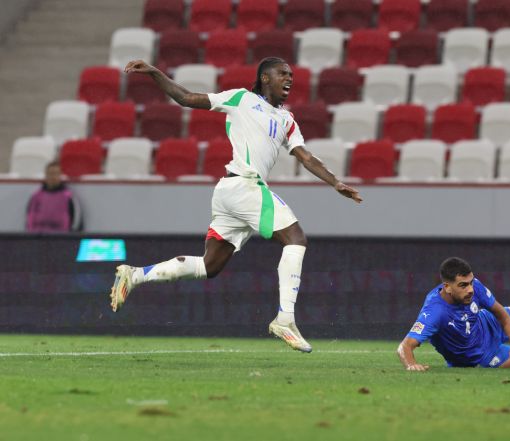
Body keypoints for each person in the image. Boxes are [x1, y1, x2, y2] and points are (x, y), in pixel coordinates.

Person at [109, 57, 362, 353]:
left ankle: (135, 275)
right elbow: (186, 98)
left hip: (230, 193)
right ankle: (285, 319)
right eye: (282, 74)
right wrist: (154, 72)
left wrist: (335, 182)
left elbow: (305, 156)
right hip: (244, 185)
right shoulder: (241, 98)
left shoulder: (286, 120)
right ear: (265, 78)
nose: (289, 79)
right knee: (295, 238)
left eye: (291, 75)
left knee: (209, 266)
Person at [26, 161, 82, 233]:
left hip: (60, 238)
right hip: (38, 237)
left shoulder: (68, 197)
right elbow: (30, 218)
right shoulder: (36, 196)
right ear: (46, 175)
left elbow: (75, 221)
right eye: (50, 174)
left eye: (55, 174)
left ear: (60, 175)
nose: (53, 177)